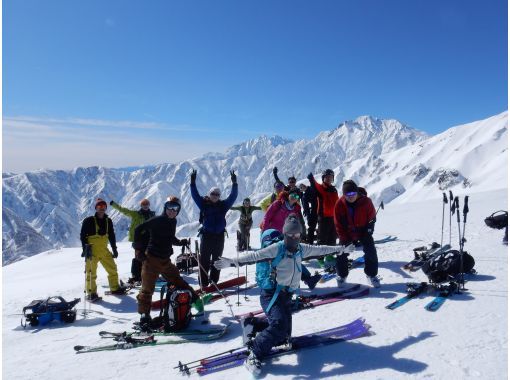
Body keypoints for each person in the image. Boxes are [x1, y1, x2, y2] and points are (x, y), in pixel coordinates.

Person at [214, 215, 352, 376]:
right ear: (285, 234)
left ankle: (253, 324)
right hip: (271, 294)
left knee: (283, 335)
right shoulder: (277, 248)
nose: (294, 238)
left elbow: (321, 249)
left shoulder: (301, 248)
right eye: (290, 235)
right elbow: (254, 256)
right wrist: (231, 262)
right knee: (279, 326)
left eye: (297, 235)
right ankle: (254, 353)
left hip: (286, 295)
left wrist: (341, 249)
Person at [133, 197, 205, 329]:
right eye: (170, 207)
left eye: (175, 208)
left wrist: (179, 242)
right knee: (147, 289)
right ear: (165, 207)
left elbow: (169, 237)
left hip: (165, 261)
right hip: (151, 260)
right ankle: (144, 316)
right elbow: (138, 230)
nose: (172, 211)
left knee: (178, 281)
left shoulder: (173, 221)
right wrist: (138, 249)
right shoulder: (157, 220)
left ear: (178, 210)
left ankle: (195, 300)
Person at [261, 190, 320, 289]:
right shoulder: (278, 204)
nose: (294, 198)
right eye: (292, 195)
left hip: (284, 236)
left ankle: (307, 279)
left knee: (292, 257)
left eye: (297, 197)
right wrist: (264, 233)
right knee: (271, 258)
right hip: (269, 234)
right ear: (288, 195)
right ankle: (270, 281)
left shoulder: (295, 209)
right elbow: (267, 217)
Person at [190, 169, 238, 287]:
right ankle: (203, 283)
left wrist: (235, 184)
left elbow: (233, 196)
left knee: (217, 261)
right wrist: (192, 182)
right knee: (204, 260)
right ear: (209, 194)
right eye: (213, 194)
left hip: (219, 236)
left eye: (217, 194)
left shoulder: (223, 206)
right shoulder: (203, 204)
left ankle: (214, 282)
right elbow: (195, 195)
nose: (215, 196)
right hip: (207, 236)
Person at [334, 180, 381, 288]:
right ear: (344, 194)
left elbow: (372, 218)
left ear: (357, 193)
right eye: (347, 194)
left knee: (371, 251)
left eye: (353, 194)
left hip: (363, 231)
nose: (350, 196)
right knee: (341, 252)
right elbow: (338, 223)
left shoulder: (366, 202)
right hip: (347, 232)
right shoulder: (339, 204)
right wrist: (344, 238)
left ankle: (371, 275)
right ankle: (342, 276)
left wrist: (369, 230)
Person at [80, 198, 127, 301]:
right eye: (99, 207)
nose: (102, 209)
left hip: (104, 250)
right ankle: (91, 293)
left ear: (106, 208)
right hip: (91, 250)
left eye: (104, 207)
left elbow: (111, 236)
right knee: (91, 273)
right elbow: (83, 235)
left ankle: (115, 288)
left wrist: (114, 249)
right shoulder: (89, 221)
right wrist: (85, 249)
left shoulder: (108, 221)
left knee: (112, 269)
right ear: (96, 208)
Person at [110, 198, 155, 284]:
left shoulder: (152, 215)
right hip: (138, 239)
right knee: (138, 258)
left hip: (149, 239)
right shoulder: (135, 214)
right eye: (143, 204)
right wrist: (114, 204)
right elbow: (123, 210)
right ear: (141, 206)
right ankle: (136, 276)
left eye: (147, 204)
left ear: (149, 205)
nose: (145, 206)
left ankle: (146, 275)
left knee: (148, 257)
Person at [307, 169, 339, 246]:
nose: (328, 179)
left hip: (333, 218)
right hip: (324, 218)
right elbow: (315, 185)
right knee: (322, 239)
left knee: (332, 239)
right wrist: (311, 179)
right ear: (323, 178)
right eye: (327, 177)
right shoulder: (321, 188)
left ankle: (330, 257)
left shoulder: (334, 190)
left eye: (330, 177)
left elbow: (337, 203)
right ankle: (319, 258)